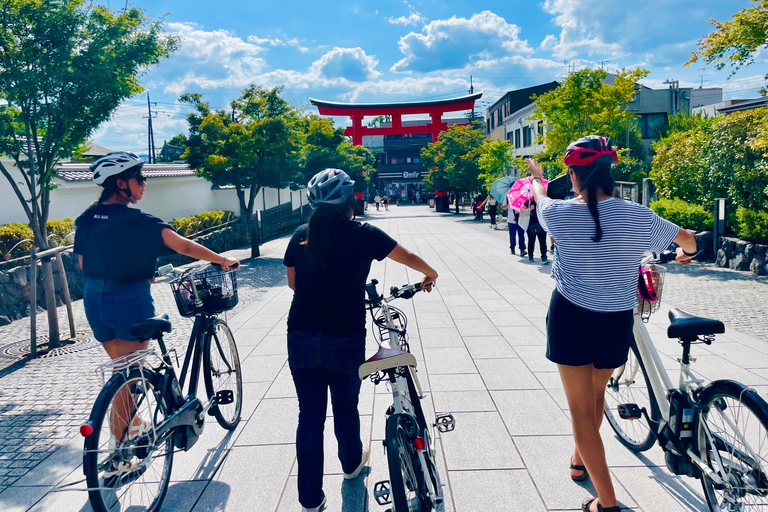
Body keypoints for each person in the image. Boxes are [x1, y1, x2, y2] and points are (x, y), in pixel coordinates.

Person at [526, 136, 697, 512]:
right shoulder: (639, 215)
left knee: (580, 409)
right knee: (596, 394)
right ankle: (578, 460)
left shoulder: (556, 212)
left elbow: (538, 195)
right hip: (617, 318)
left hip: (571, 314)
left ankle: (607, 503)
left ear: (573, 174)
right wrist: (684, 254)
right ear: (609, 173)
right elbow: (689, 242)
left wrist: (537, 175)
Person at [74, 152, 239, 476]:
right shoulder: (140, 221)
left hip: (95, 300)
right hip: (129, 299)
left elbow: (82, 264)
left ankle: (127, 434)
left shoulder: (87, 220)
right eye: (140, 178)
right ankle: (119, 453)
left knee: (122, 376)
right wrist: (221, 259)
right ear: (122, 184)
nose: (144, 184)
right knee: (129, 377)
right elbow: (185, 247)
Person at [283, 169, 438, 512]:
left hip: (302, 336)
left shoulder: (299, 236)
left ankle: (310, 500)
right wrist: (430, 273)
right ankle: (351, 464)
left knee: (308, 415)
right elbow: (407, 257)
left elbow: (294, 284)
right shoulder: (364, 233)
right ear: (349, 199)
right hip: (345, 337)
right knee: (344, 404)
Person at [522, 197, 548, 264]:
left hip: (541, 223)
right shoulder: (528, 200)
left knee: (543, 241)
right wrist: (530, 209)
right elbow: (522, 212)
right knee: (531, 241)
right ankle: (530, 256)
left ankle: (544, 257)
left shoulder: (543, 201)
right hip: (531, 224)